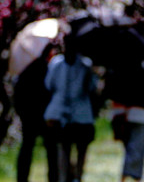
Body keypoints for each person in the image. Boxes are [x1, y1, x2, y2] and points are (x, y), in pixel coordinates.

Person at [44, 34, 97, 182]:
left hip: (81, 114)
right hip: (61, 113)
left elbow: (90, 88)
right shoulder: (56, 64)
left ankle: (77, 177)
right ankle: (65, 176)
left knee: (80, 149)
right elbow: (50, 85)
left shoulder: (85, 65)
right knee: (63, 150)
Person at [104, 61, 144, 182]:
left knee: (130, 148)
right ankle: (130, 177)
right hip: (137, 114)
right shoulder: (143, 70)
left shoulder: (115, 69)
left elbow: (108, 92)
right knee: (136, 149)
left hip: (120, 114)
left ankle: (127, 177)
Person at [14, 45, 57, 182]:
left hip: (29, 116)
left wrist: (22, 114)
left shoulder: (26, 69)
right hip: (44, 115)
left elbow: (17, 94)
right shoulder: (47, 69)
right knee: (51, 150)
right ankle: (53, 178)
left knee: (27, 149)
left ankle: (22, 178)